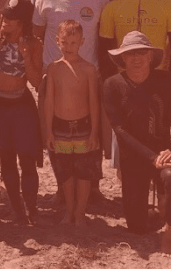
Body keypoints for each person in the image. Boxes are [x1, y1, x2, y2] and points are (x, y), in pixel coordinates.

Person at [103, 31, 171, 255]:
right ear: (122, 58)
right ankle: (158, 205)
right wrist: (153, 159)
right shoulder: (112, 85)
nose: (136, 58)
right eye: (130, 53)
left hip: (163, 150)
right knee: (136, 228)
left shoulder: (166, 80)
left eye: (141, 53)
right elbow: (120, 130)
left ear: (150, 56)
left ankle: (169, 233)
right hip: (132, 157)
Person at [0, 0, 43, 224]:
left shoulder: (34, 43)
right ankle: (17, 210)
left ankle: (32, 209)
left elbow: (36, 81)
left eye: (12, 18)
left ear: (23, 21)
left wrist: (27, 55)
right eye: (5, 16)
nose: (6, 21)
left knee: (27, 159)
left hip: (21, 105)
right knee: (6, 159)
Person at [41, 21, 101, 226]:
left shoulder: (89, 69)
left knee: (84, 173)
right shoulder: (54, 69)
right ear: (57, 41)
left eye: (73, 42)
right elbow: (49, 102)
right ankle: (69, 209)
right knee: (65, 172)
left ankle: (80, 212)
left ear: (82, 42)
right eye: (64, 42)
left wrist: (94, 132)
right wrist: (48, 131)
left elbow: (94, 102)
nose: (68, 46)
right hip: (60, 128)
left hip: (83, 127)